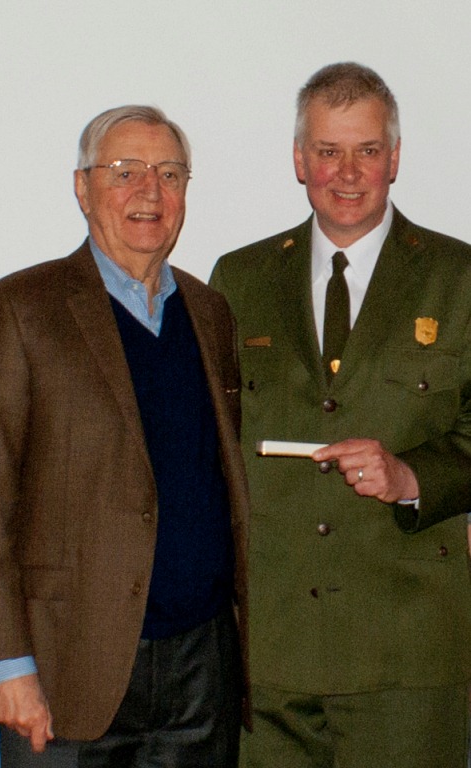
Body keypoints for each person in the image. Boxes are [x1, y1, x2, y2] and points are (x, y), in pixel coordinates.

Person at [0, 105, 250, 768]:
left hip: (202, 665)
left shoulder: (210, 313)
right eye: (125, 172)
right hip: (68, 668)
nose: (150, 191)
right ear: (82, 187)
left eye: (169, 173)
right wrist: (6, 664)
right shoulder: (18, 310)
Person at [210, 62, 471, 768]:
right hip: (272, 651)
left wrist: (412, 474)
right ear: (300, 160)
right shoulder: (240, 278)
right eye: (328, 151)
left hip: (408, 652)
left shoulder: (460, 278)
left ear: (394, 158)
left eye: (367, 151)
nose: (347, 172)